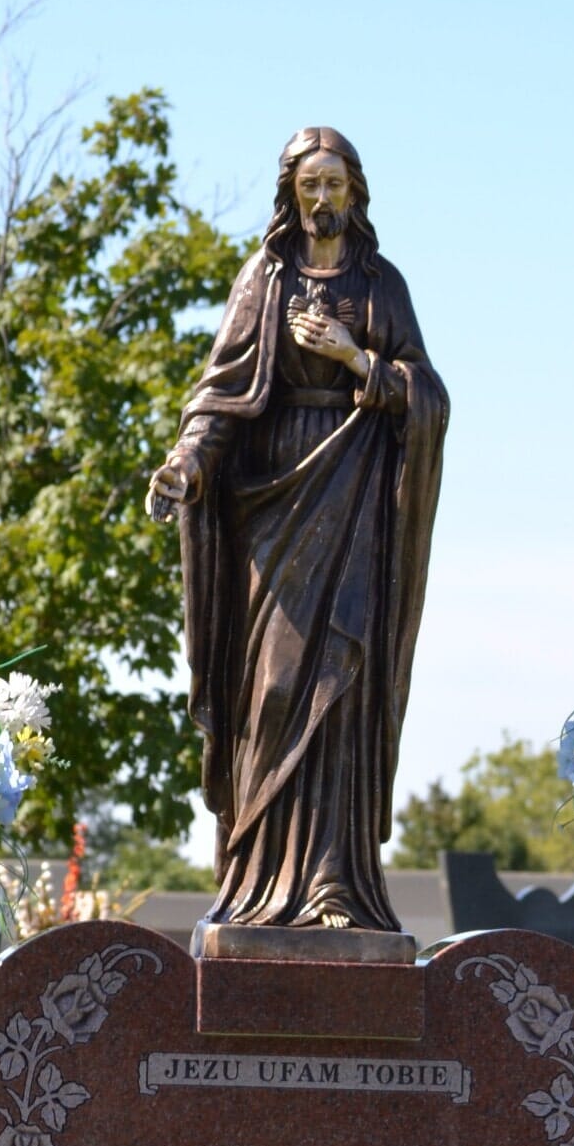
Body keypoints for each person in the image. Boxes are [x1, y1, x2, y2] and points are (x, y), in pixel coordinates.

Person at [147, 126, 447, 936]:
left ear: (356, 192)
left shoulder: (382, 285)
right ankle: (256, 886)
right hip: (271, 503)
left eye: (335, 184)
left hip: (352, 498)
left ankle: (331, 887)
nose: (322, 199)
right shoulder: (265, 278)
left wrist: (357, 361)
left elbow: (430, 397)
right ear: (290, 193)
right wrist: (187, 463)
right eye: (309, 185)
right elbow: (217, 395)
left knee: (338, 690)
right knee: (273, 687)